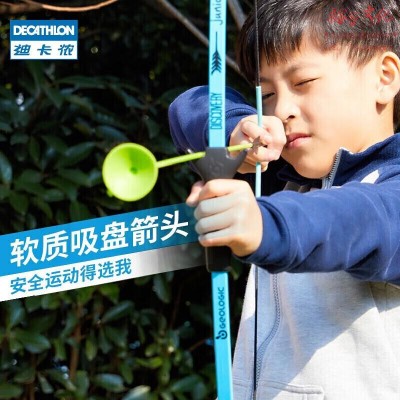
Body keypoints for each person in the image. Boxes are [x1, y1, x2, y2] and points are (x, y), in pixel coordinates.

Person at [168, 0, 400, 399]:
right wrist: (236, 128)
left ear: (384, 77)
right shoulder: (281, 175)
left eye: (303, 82)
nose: (281, 111)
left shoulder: (389, 191)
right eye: (267, 94)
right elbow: (189, 106)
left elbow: (355, 218)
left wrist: (263, 223)